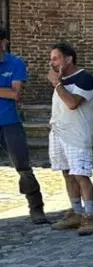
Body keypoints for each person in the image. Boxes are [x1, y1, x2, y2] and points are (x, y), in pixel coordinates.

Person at [47, 42, 93, 235]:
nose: (52, 62)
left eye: (56, 58)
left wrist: (57, 84)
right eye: (51, 58)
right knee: (67, 174)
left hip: (77, 135)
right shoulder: (61, 80)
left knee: (81, 175)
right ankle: (76, 212)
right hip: (59, 133)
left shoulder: (85, 78)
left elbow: (72, 103)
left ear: (68, 59)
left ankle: (90, 216)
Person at [0, 27, 43, 224]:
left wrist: (8, 91)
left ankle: (36, 208)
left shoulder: (15, 63)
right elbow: (7, 91)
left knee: (22, 165)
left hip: (9, 122)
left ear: (3, 42)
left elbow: (15, 94)